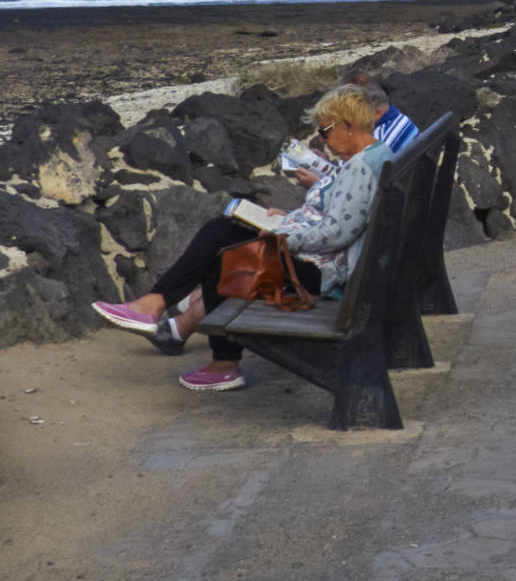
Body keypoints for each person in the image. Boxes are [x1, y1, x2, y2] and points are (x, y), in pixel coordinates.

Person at [89, 85, 394, 392]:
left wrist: (283, 236)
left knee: (226, 253)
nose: (323, 138)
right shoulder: (372, 157)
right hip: (316, 256)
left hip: (319, 270)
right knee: (221, 231)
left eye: (325, 130)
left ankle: (218, 358)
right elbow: (337, 216)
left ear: (349, 125)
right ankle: (158, 307)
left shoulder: (360, 168)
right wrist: (288, 217)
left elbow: (336, 233)